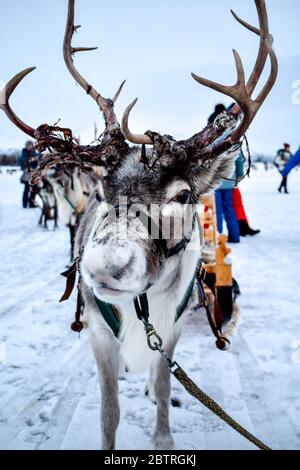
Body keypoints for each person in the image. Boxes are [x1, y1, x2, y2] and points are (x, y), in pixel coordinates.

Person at [215, 154, 244, 243]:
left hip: (215, 182)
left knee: (217, 211)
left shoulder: (212, 142)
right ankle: (234, 236)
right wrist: (239, 174)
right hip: (229, 181)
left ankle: (217, 237)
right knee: (229, 209)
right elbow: (239, 160)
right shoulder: (234, 142)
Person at [19, 141, 40, 208]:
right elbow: (22, 161)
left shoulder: (34, 152)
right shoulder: (24, 153)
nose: (30, 147)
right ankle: (24, 204)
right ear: (26, 146)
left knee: (34, 190)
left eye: (31, 145)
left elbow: (39, 156)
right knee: (27, 190)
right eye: (29, 145)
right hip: (27, 175)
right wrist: (31, 160)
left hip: (34, 174)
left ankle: (31, 203)